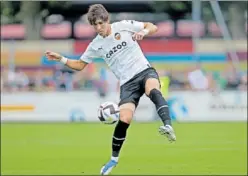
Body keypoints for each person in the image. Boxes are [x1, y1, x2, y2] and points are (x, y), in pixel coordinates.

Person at [45, 4, 176, 175]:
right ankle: (113, 160)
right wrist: (61, 58)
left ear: (107, 20)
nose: (99, 28)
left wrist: (144, 32)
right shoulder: (96, 45)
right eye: (95, 25)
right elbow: (79, 65)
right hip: (127, 84)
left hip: (144, 71)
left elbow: (153, 27)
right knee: (125, 119)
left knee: (153, 90)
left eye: (101, 23)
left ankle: (168, 126)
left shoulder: (124, 26)